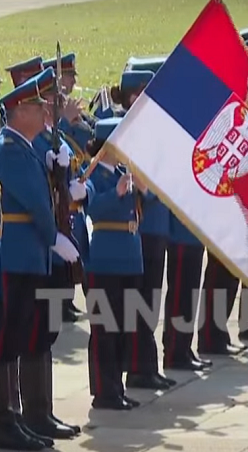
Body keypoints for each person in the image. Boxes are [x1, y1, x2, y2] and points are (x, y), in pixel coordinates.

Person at [0, 70, 80, 452]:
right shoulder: (8, 149)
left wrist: (58, 172)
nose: (45, 111)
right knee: (8, 342)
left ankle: (29, 415)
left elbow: (46, 195)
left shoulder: (27, 149)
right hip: (15, 256)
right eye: (37, 105)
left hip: (29, 257)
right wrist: (54, 239)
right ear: (19, 112)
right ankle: (10, 419)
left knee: (25, 337)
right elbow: (33, 202)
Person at [85, 117, 150, 410]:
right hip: (107, 259)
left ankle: (117, 387)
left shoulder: (127, 172)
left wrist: (143, 190)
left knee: (124, 329)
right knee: (105, 329)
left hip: (129, 259)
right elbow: (93, 209)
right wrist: (118, 192)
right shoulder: (95, 174)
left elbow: (144, 210)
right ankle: (104, 390)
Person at [127, 164, 176, 390]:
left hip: (158, 232)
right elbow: (141, 188)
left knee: (151, 304)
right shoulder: (139, 156)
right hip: (145, 233)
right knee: (143, 305)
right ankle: (138, 369)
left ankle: (148, 367)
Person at [163, 215, 212, 371]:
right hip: (180, 235)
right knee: (180, 299)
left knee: (189, 298)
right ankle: (174, 353)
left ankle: (184, 348)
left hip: (194, 234)